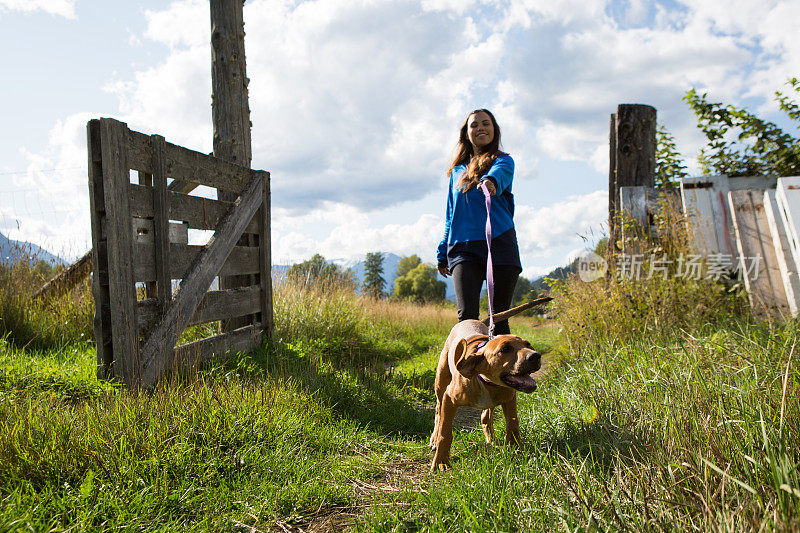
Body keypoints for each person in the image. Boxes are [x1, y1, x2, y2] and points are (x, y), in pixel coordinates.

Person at [436, 109, 521, 335]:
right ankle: (468, 369)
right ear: (466, 133)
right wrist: (442, 249)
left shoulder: (504, 161)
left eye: (486, 123)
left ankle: (504, 370)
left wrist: (491, 183)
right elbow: (450, 213)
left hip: (500, 243)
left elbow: (499, 174)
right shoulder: (456, 171)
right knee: (467, 318)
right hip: (463, 248)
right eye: (475, 125)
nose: (481, 128)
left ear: (495, 130)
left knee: (499, 316)